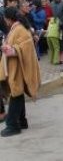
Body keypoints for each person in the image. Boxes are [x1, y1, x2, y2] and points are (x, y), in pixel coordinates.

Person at [0, 7, 41, 137]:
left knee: (16, 94)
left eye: (5, 18)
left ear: (8, 18)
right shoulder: (16, 28)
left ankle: (13, 125)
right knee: (17, 92)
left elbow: (26, 46)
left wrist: (11, 50)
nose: (4, 21)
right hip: (15, 67)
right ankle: (21, 121)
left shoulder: (20, 29)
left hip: (18, 68)